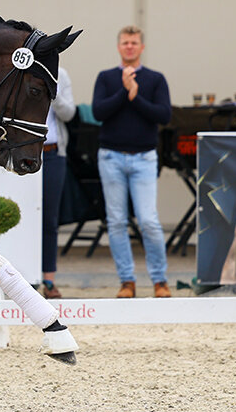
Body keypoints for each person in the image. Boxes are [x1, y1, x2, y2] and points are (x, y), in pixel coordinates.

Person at [92, 26, 172, 298]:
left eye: (134, 42)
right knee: (116, 221)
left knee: (149, 220)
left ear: (142, 47)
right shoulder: (105, 77)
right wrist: (123, 92)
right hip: (111, 157)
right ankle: (127, 281)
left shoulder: (156, 79)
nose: (129, 46)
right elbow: (98, 112)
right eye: (125, 42)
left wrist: (136, 95)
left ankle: (160, 280)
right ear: (118, 47)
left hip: (144, 159)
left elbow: (163, 115)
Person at [40, 66, 76, 298]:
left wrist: (54, 93)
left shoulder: (60, 74)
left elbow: (69, 114)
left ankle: (48, 279)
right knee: (21, 219)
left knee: (49, 220)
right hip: (20, 154)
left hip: (52, 153)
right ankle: (19, 279)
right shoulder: (14, 69)